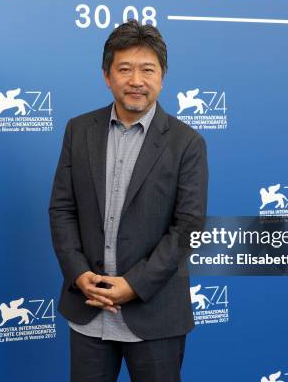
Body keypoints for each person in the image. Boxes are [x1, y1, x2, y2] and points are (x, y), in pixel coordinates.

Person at [49, 19, 208, 382]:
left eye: (147, 69)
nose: (136, 80)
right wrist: (78, 274)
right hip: (88, 309)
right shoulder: (79, 130)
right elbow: (62, 209)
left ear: (162, 77)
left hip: (155, 315)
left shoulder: (187, 143)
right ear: (107, 76)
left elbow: (188, 229)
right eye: (125, 69)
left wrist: (132, 286)